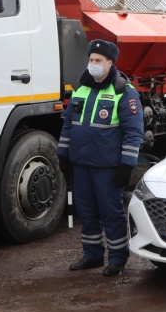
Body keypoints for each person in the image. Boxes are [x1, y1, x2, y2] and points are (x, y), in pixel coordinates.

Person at [57, 39, 144, 277]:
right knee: (87, 211)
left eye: (98, 61)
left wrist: (127, 166)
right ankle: (92, 256)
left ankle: (117, 258)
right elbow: (68, 125)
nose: (92, 64)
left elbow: (133, 132)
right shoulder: (80, 88)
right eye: (90, 60)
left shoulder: (123, 92)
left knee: (110, 213)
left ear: (110, 62)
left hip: (107, 166)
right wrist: (62, 155)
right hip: (82, 163)